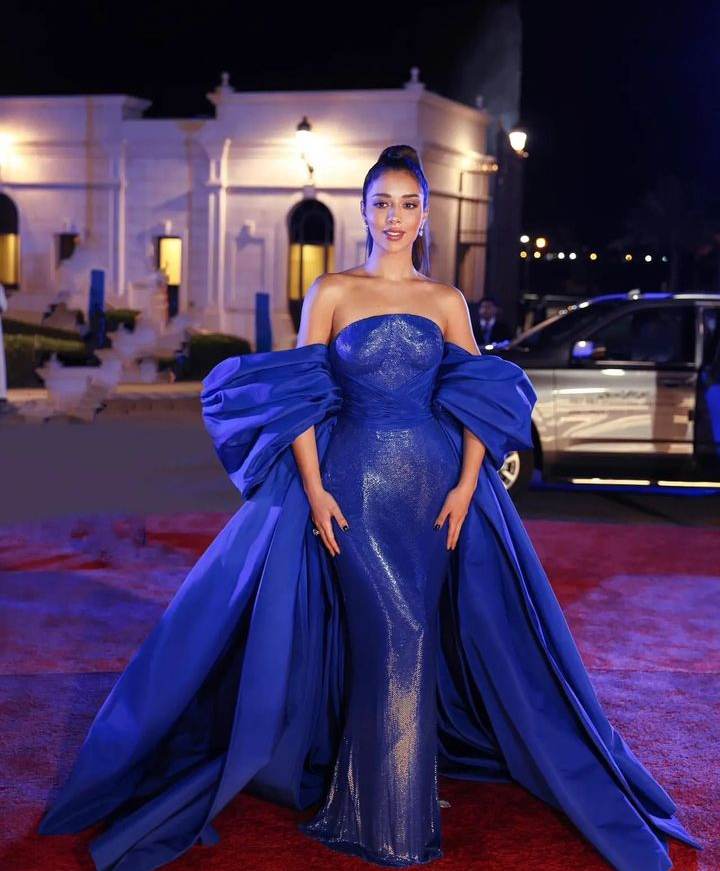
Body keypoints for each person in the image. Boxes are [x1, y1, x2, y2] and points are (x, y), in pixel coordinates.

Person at [38, 146, 701, 871]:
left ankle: (389, 790)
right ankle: (389, 817)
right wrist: (315, 488)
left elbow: (477, 396)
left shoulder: (445, 301)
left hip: (433, 489)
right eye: (382, 203)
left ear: (425, 214)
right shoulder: (331, 291)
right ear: (362, 209)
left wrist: (465, 486)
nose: (394, 217)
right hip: (351, 487)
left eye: (407, 204)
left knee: (413, 633)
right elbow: (300, 395)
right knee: (393, 630)